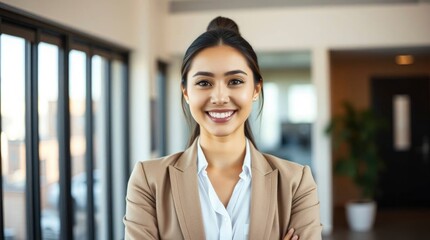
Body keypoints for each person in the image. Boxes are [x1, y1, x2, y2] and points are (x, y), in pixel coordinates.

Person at [124, 16, 322, 240]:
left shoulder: (296, 183)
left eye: (235, 81)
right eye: (204, 83)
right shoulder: (149, 181)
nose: (219, 97)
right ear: (186, 92)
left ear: (256, 89)